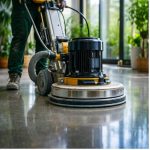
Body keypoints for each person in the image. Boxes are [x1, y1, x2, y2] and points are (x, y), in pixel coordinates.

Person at [7, 0, 66, 90]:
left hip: (45, 2)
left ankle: (41, 75)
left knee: (44, 38)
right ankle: (14, 75)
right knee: (20, 37)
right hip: (23, 4)